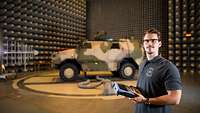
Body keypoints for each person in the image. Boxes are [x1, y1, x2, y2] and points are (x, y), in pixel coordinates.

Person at [130, 28, 182, 113]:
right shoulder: (143, 64)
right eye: (146, 41)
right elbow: (145, 88)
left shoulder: (168, 67)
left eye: (153, 40)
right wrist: (132, 91)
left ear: (159, 43)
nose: (149, 43)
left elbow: (175, 98)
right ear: (143, 44)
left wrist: (146, 100)